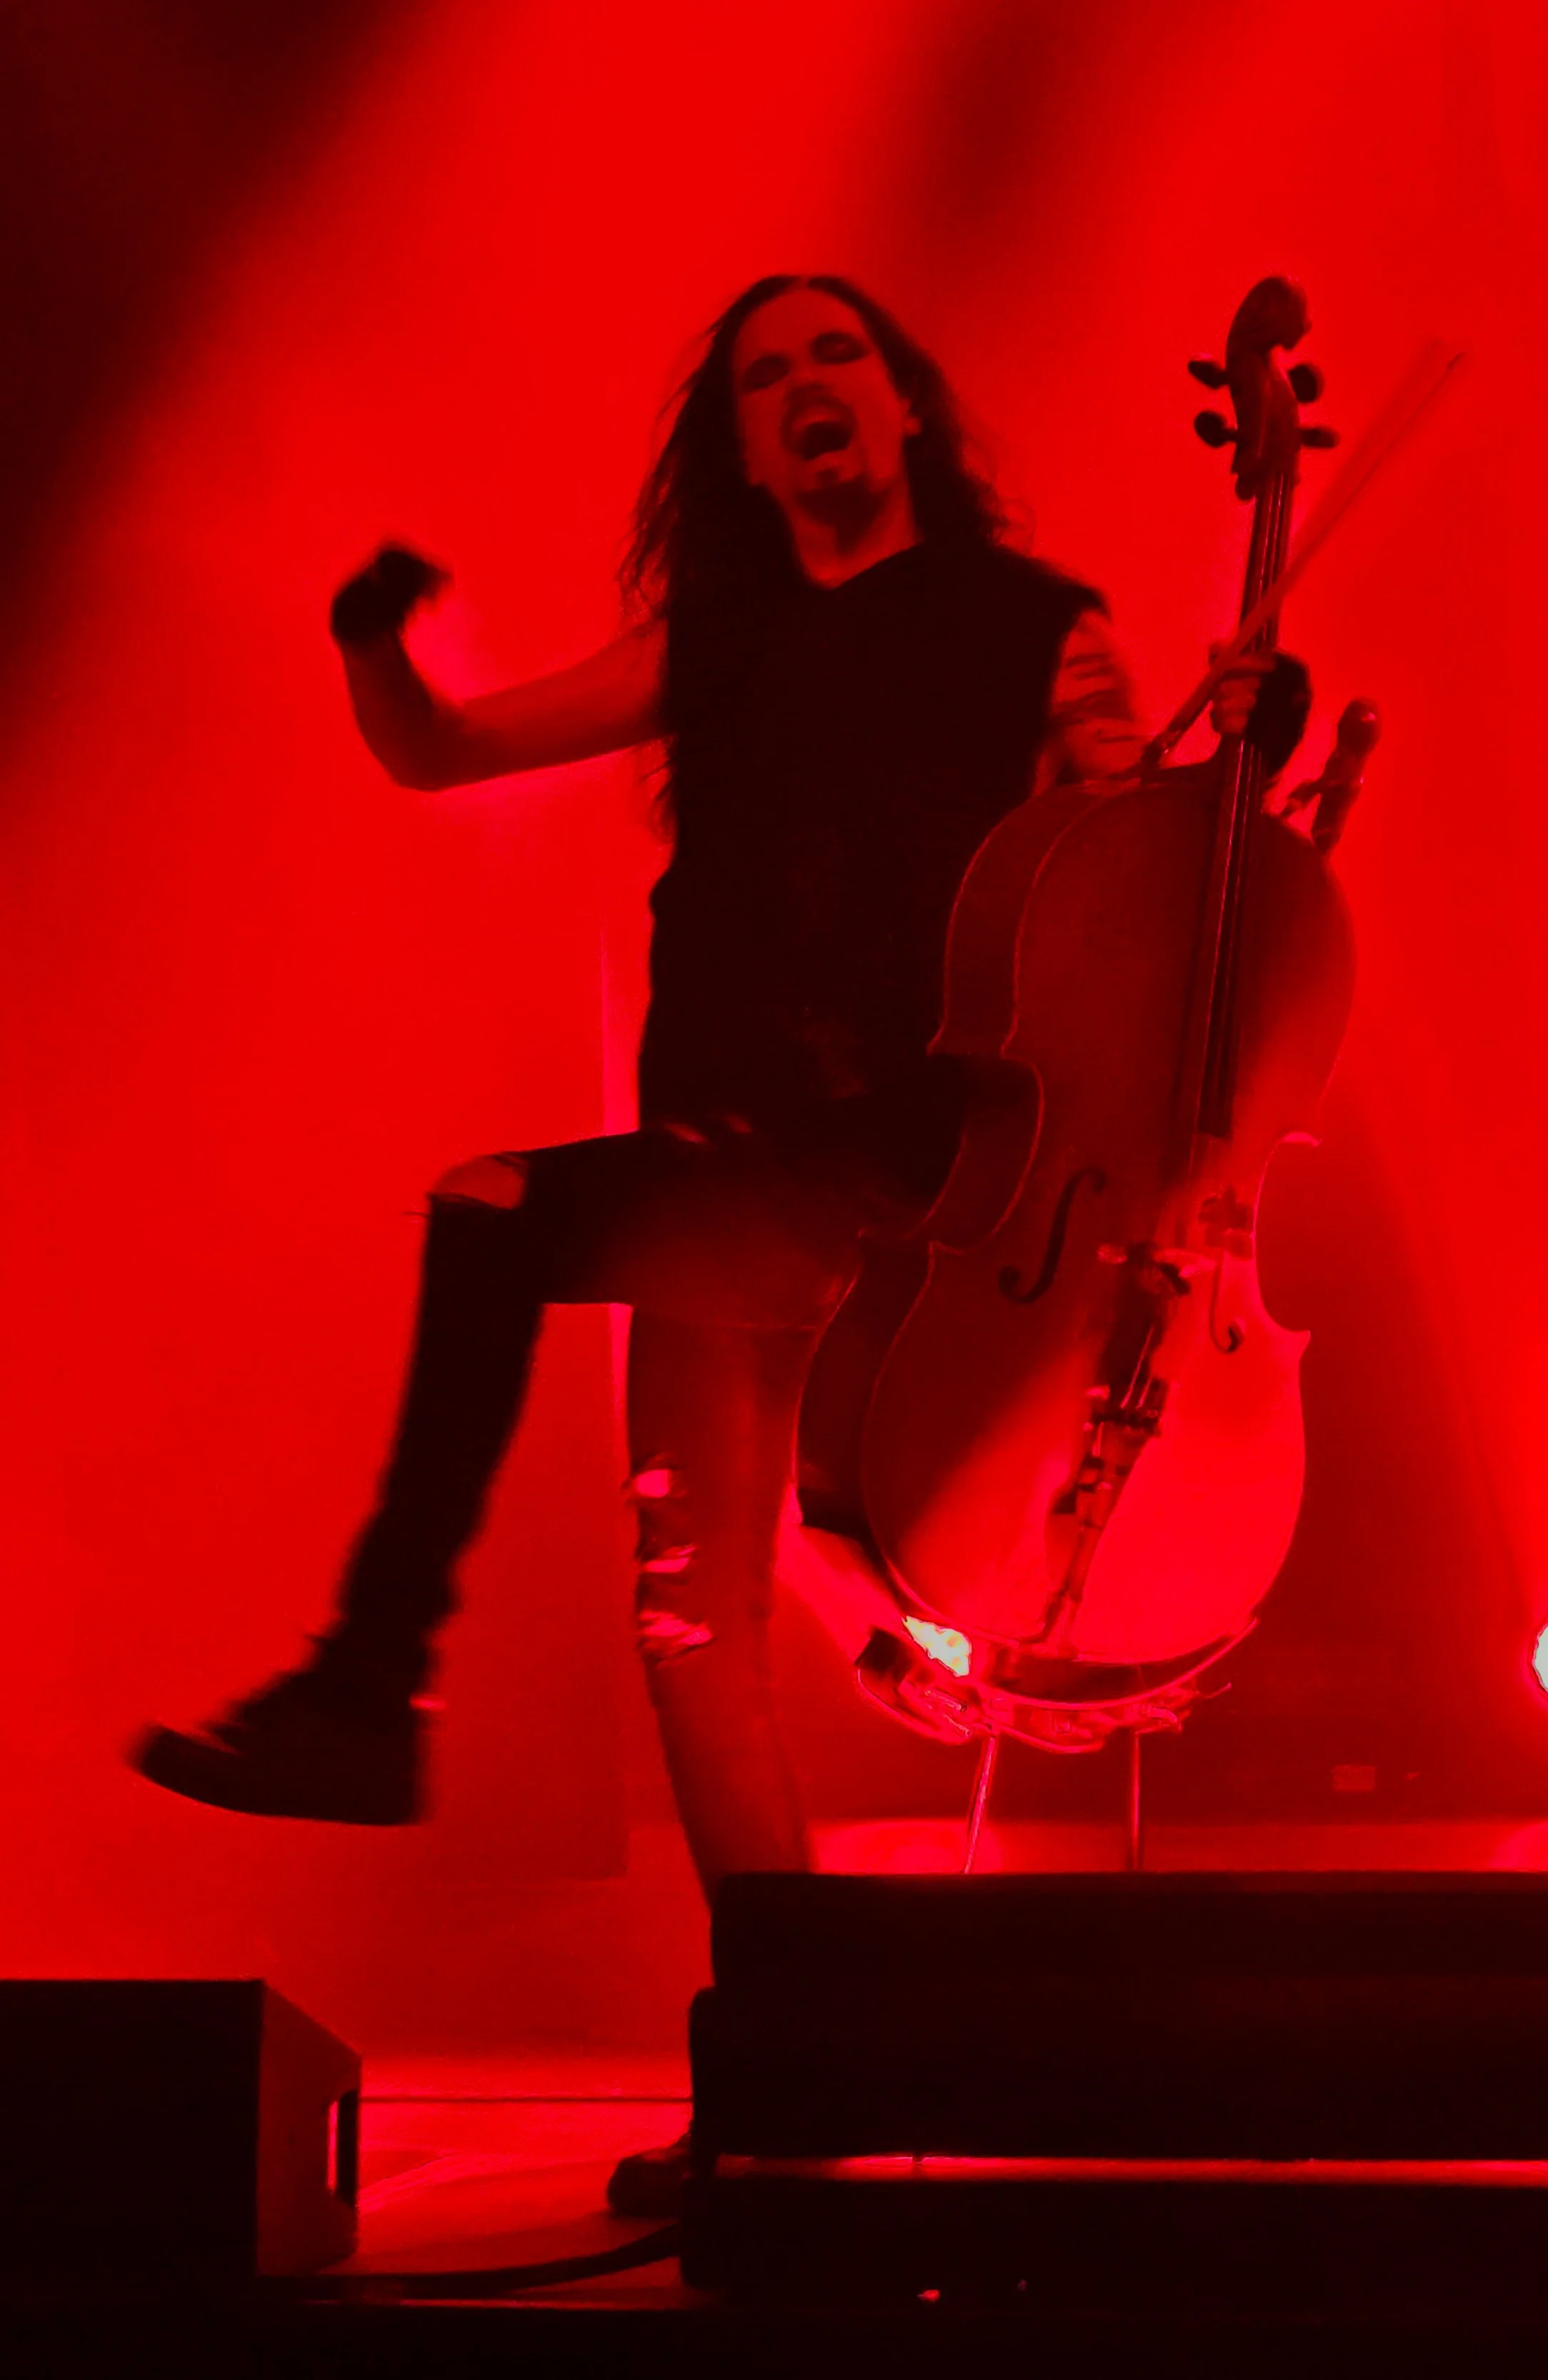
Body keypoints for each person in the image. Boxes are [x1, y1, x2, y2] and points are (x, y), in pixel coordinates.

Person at [132, 273, 1303, 1895]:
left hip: (914, 1152)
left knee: (495, 1210)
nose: (806, 385)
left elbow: (1142, 854)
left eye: (840, 353)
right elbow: (441, 748)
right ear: (744, 451)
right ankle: (787, 2022)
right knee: (687, 1609)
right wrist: (366, 646)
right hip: (721, 1171)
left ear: (901, 408)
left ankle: (364, 1682)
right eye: (766, 376)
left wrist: (1251, 736)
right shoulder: (717, 642)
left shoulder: (1033, 625)